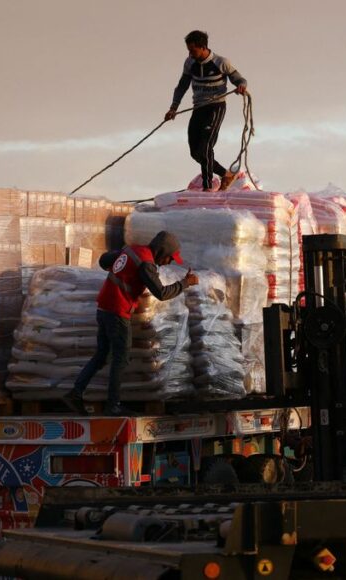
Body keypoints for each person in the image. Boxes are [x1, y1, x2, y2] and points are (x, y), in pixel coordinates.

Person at [62, 231, 197, 416]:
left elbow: (103, 261)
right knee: (121, 357)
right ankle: (113, 405)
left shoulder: (132, 250)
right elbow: (162, 293)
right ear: (161, 251)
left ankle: (75, 393)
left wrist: (123, 267)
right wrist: (185, 283)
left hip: (103, 307)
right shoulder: (146, 264)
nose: (169, 263)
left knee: (102, 354)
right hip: (117, 311)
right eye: (169, 259)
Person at [165, 30, 248, 191]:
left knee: (205, 147)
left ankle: (207, 187)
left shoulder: (221, 62)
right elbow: (182, 86)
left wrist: (241, 86)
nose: (190, 54)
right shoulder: (189, 63)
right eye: (188, 50)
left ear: (203, 47)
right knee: (195, 152)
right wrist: (173, 107)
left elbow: (239, 78)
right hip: (198, 108)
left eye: (193, 50)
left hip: (215, 107)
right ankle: (226, 175)